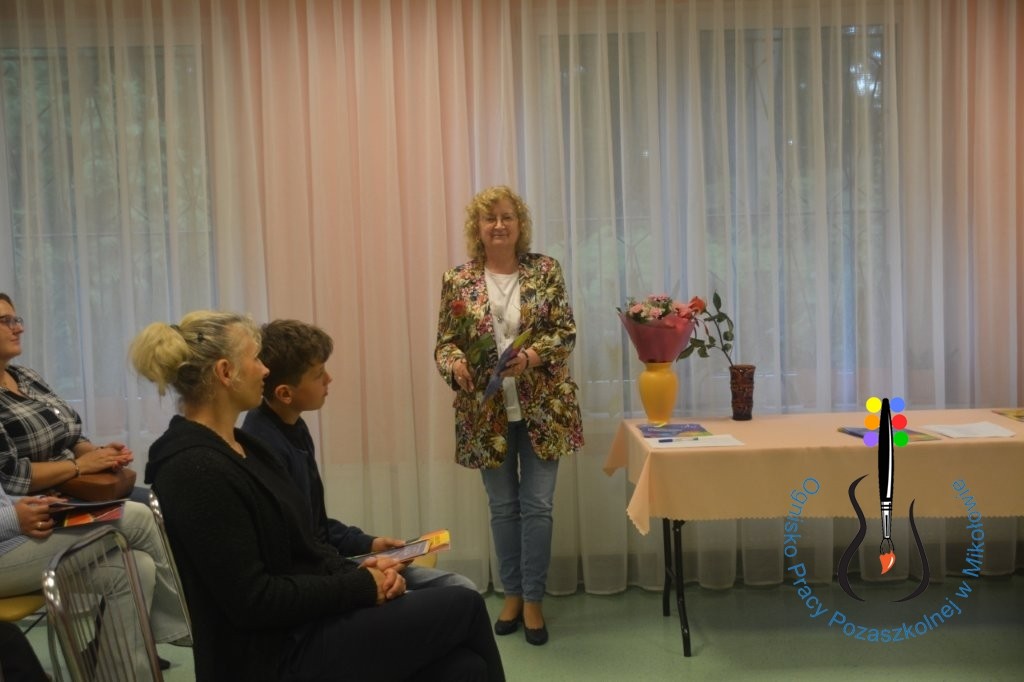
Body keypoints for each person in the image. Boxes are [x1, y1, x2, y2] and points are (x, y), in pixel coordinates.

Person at [131, 311, 505, 682]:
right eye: (256, 359)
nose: (264, 369)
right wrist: (361, 585)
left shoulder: (242, 448)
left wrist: (364, 571)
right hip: (272, 655)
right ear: (226, 372)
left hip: (301, 626)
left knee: (465, 669)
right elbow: (254, 600)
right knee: (465, 603)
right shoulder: (194, 469)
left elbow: (306, 544)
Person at [434, 185, 584, 646]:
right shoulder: (458, 279)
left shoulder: (545, 270)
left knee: (538, 507)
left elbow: (565, 331)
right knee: (503, 508)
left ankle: (534, 599)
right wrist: (455, 365)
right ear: (477, 228)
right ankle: (512, 594)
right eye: (489, 218)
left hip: (544, 408)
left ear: (520, 225)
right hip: (486, 413)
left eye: (507, 217)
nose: (498, 225)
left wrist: (532, 357)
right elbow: (445, 344)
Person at [240, 318, 477, 591]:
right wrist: (363, 574)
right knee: (460, 591)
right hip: (320, 582)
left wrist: (368, 544)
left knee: (458, 587)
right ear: (285, 394)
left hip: (330, 566)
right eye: (318, 375)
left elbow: (315, 528)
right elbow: (297, 552)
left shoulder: (292, 425)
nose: (329, 379)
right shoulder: (264, 446)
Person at [0, 481, 190, 673]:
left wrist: (36, 503)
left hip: (12, 537)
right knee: (137, 517)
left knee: (138, 566)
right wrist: (14, 517)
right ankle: (184, 629)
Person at [0, 293, 143, 502]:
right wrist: (81, 465)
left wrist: (100, 455)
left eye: (17, 320)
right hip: (39, 504)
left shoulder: (26, 376)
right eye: (5, 321)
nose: (19, 329)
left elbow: (71, 436)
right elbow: (10, 476)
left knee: (152, 501)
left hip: (77, 487)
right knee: (143, 513)